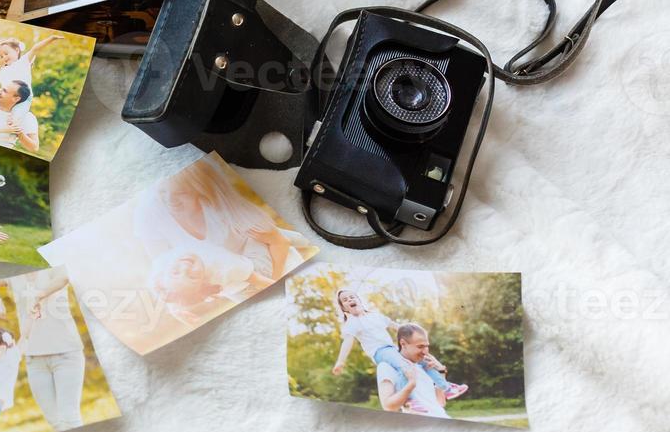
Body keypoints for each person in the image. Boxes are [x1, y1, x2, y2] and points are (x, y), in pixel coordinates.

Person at [133, 156, 297, 283]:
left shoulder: (228, 211)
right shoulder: (149, 213)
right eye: (163, 193)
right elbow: (161, 268)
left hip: (268, 262)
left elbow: (280, 242)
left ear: (199, 192)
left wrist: (274, 281)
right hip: (234, 276)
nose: (170, 200)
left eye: (180, 194)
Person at [0, 271, 86, 431]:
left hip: (66, 352)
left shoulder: (50, 266)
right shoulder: (12, 275)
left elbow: (64, 277)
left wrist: (39, 295)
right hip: (35, 360)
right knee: (55, 422)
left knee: (69, 418)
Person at [331, 289, 467, 401]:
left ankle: (446, 389)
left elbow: (397, 327)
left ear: (359, 300)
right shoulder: (352, 324)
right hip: (380, 352)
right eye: (345, 300)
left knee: (422, 359)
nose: (350, 300)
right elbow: (347, 342)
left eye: (352, 297)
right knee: (403, 365)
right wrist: (340, 362)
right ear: (343, 308)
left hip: (392, 348)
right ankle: (410, 401)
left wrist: (413, 330)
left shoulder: (375, 316)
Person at [0, 33, 64, 126]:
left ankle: (10, 133)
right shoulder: (3, 70)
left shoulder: (23, 62)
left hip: (23, 100)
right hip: (4, 98)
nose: (4, 57)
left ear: (16, 50)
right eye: (1, 56)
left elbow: (35, 49)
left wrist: (51, 39)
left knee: (15, 117)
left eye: (6, 53)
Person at [378, 323, 450, 417]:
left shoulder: (424, 367)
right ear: (403, 343)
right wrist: (411, 384)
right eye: (420, 346)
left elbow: (440, 403)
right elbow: (388, 407)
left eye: (426, 346)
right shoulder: (386, 367)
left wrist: (441, 372)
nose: (425, 351)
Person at [0, 80, 41, 153]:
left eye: (4, 91)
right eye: (1, 89)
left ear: (16, 99)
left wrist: (19, 132)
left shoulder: (27, 117)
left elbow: (34, 148)